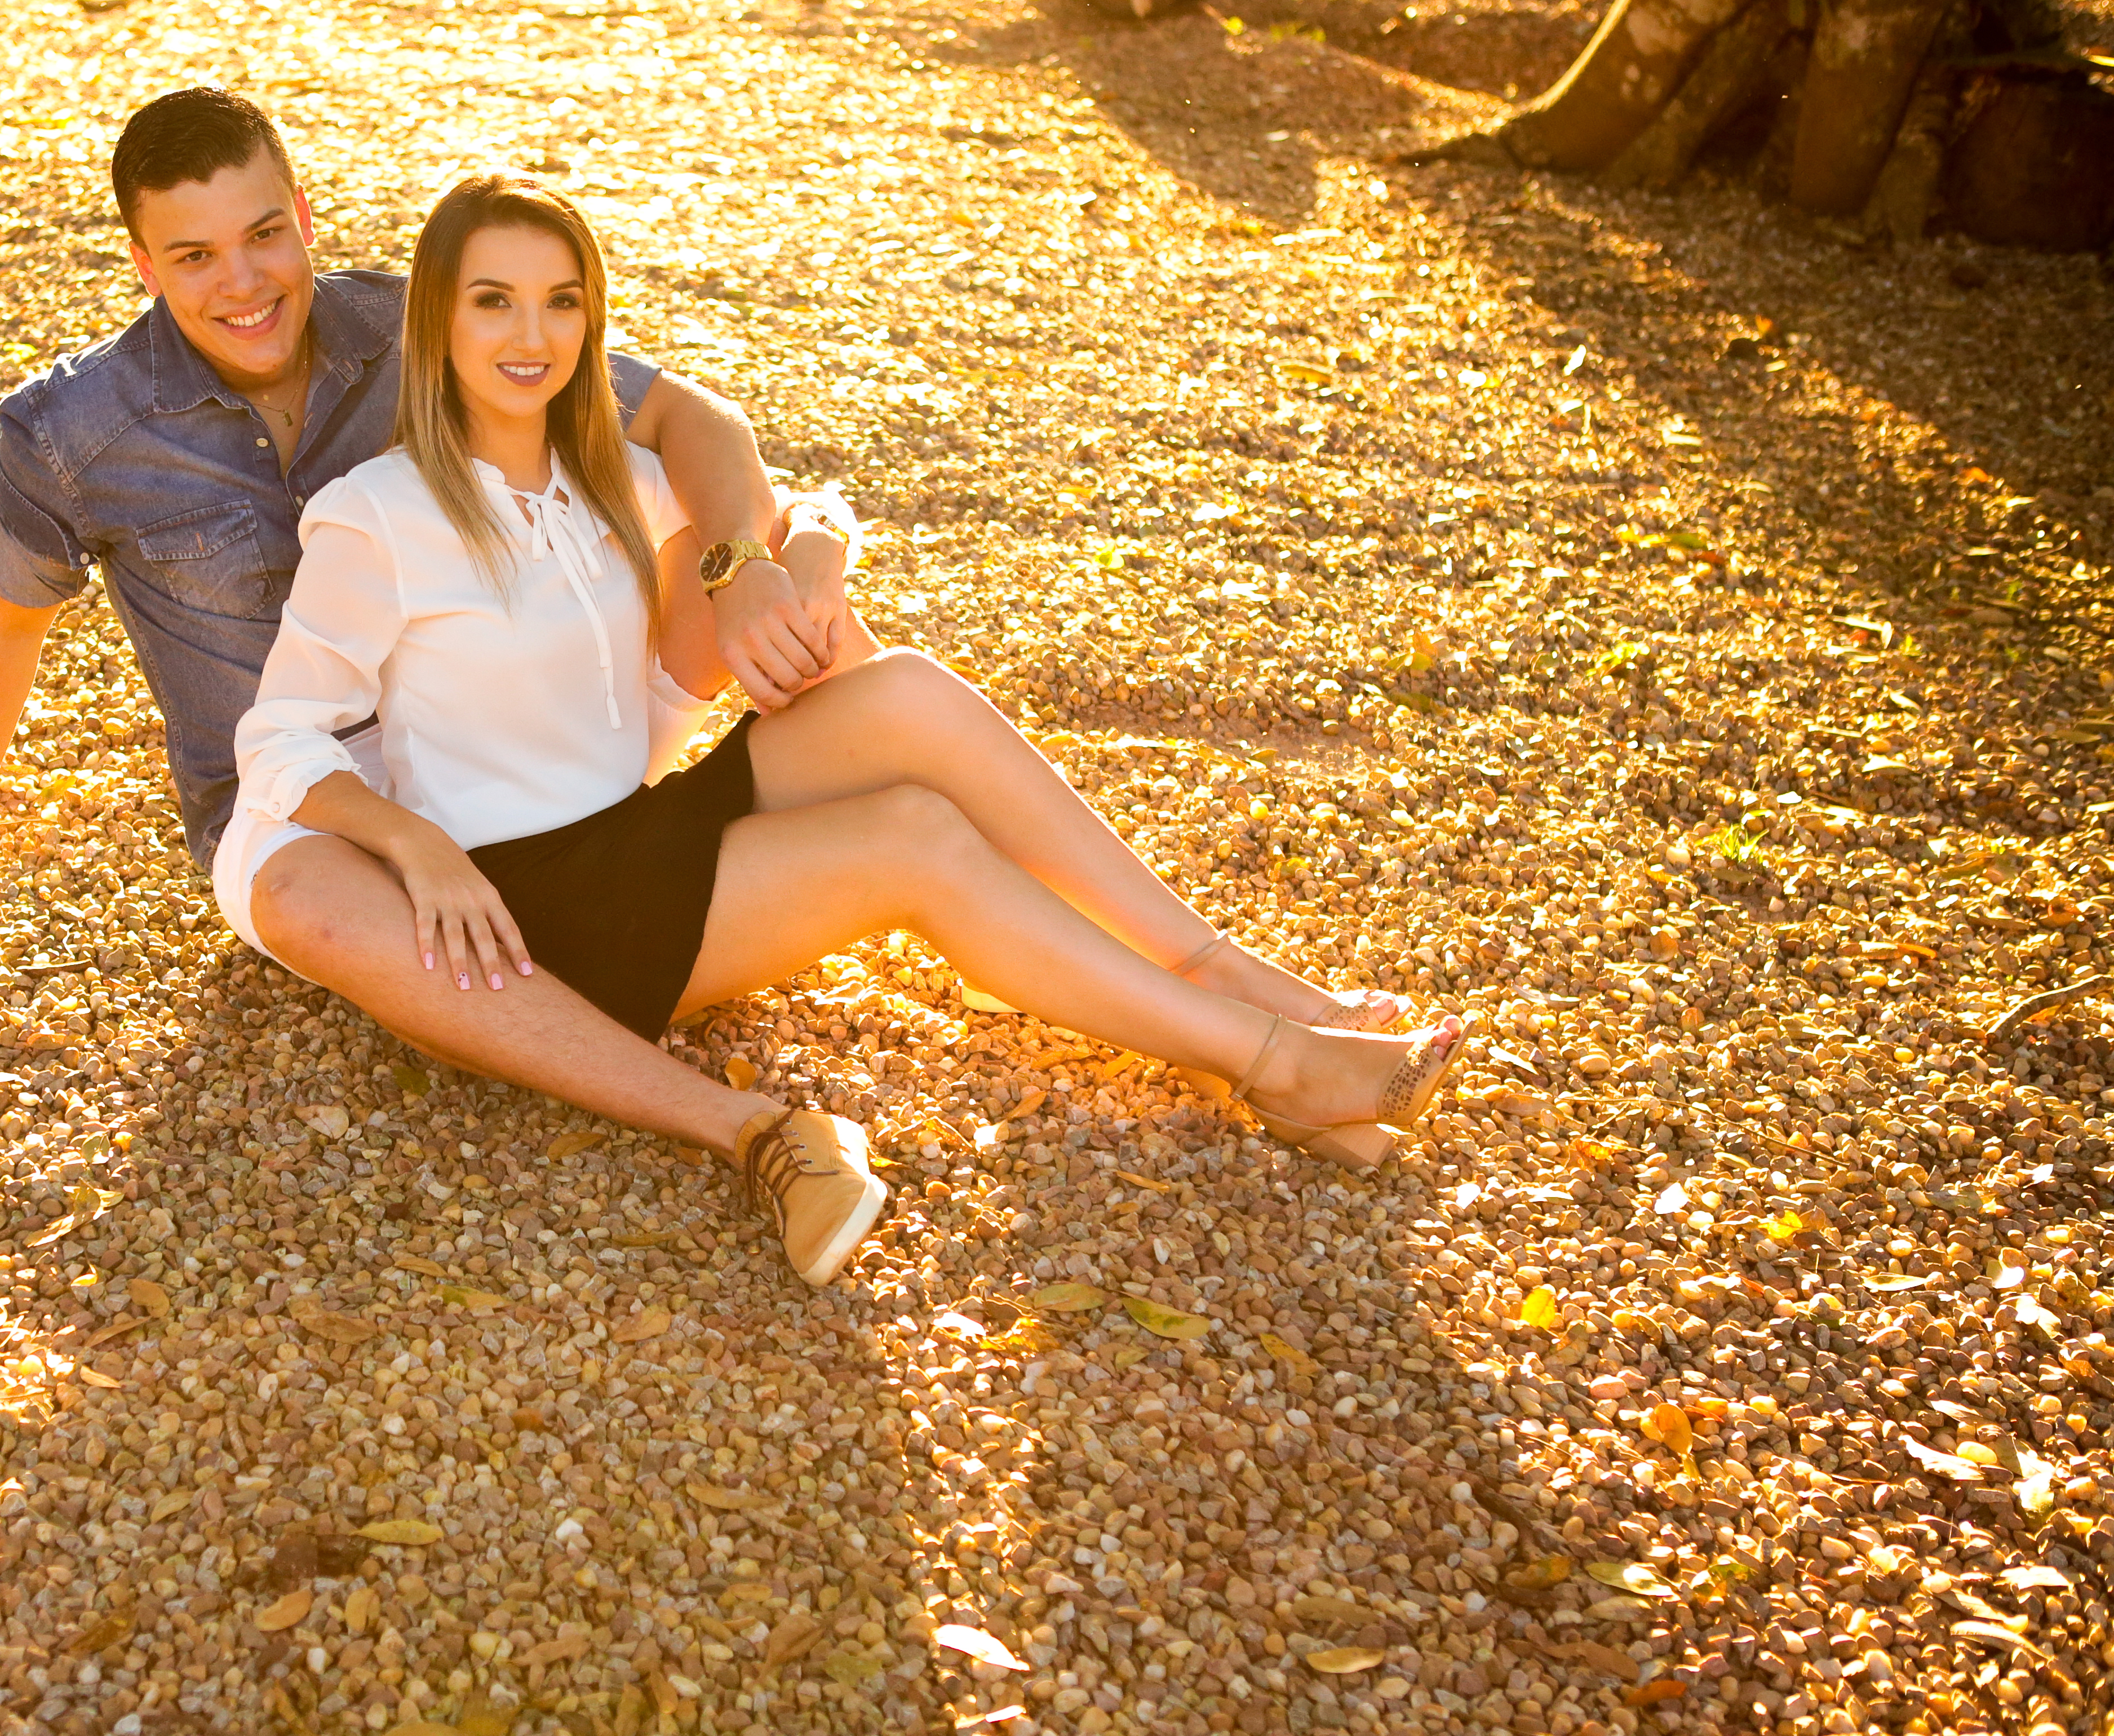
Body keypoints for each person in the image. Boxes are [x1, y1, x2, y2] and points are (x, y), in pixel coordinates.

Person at [227, 175, 1468, 1284]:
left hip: (636, 837)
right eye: (493, 302)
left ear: (591, 320)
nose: (531, 336)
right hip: (536, 913)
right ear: (436, 322)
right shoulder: (374, 516)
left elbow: (803, 506)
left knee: (907, 691)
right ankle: (1278, 1064)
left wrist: (802, 560)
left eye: (561, 302)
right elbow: (279, 742)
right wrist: (415, 845)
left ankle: (1229, 976)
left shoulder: (609, 477)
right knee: (915, 842)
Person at [0, 87, 893, 1270]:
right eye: (193, 256)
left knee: (778, 570)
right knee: (323, 910)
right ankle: (756, 1134)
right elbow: (5, 626)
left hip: (523, 731)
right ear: (143, 264)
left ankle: (955, 819)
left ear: (305, 214)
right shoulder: (75, 432)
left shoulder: (425, 324)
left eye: (265, 234)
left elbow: (692, 417)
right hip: (298, 800)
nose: (242, 282)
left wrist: (744, 564)